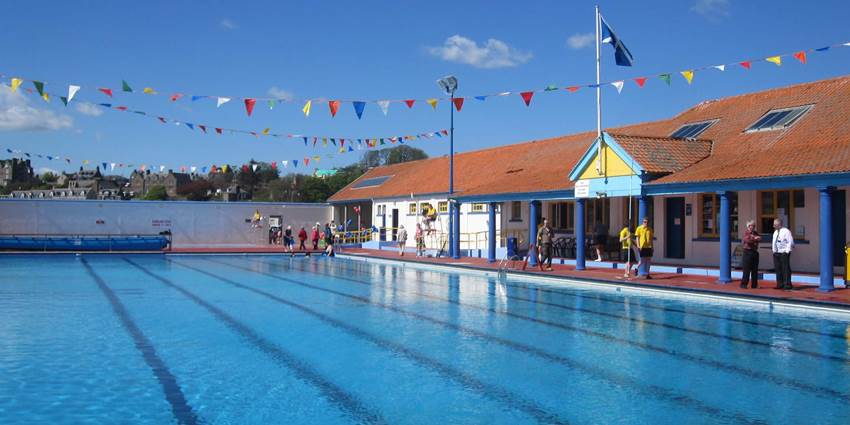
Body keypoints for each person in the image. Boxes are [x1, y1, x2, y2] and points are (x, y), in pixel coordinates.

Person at [772, 217, 794, 290]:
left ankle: (787, 284)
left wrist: (787, 251)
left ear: (779, 224)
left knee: (785, 268)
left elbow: (790, 242)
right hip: (776, 253)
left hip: (784, 252)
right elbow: (774, 242)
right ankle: (780, 284)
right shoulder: (775, 232)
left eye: (775, 224)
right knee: (778, 269)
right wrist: (774, 251)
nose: (773, 226)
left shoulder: (786, 231)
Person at [740, 219, 762, 289]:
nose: (753, 227)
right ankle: (744, 284)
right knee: (746, 270)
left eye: (754, 225)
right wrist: (755, 238)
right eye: (752, 225)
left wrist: (755, 238)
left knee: (755, 270)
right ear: (749, 226)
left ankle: (754, 285)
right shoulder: (746, 233)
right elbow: (748, 240)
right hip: (747, 252)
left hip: (754, 252)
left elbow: (760, 238)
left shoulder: (755, 233)